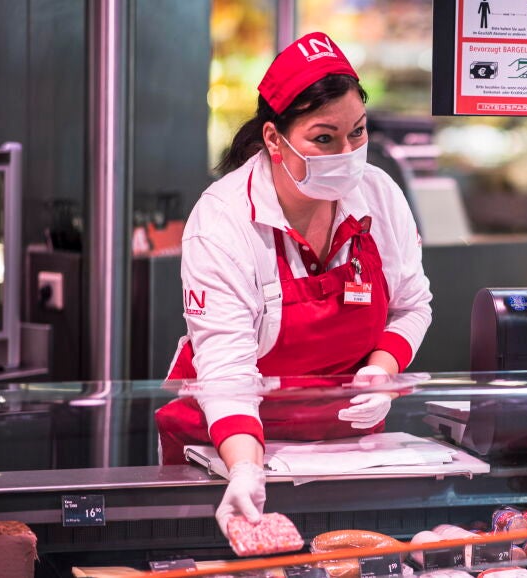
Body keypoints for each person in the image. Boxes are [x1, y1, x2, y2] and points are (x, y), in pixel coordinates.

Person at [154, 32, 432, 536]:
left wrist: (381, 370)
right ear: (273, 138)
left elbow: (412, 306)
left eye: (358, 132)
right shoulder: (223, 220)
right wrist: (243, 469)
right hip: (222, 450)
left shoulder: (379, 194)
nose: (347, 152)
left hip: (347, 455)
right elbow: (227, 370)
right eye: (324, 138)